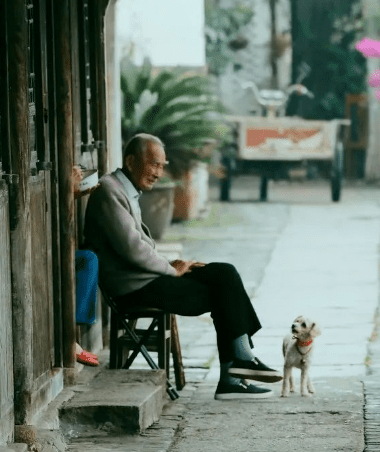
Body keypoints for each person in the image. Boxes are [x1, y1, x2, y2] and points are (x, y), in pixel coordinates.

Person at [83, 133, 282, 399]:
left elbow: (138, 248)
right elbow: (132, 249)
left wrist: (174, 265)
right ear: (130, 162)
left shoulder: (125, 190)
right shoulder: (110, 191)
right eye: (153, 164)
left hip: (145, 278)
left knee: (224, 272)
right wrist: (170, 268)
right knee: (221, 294)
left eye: (162, 166)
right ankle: (235, 371)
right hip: (132, 288)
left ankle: (240, 361)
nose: (158, 173)